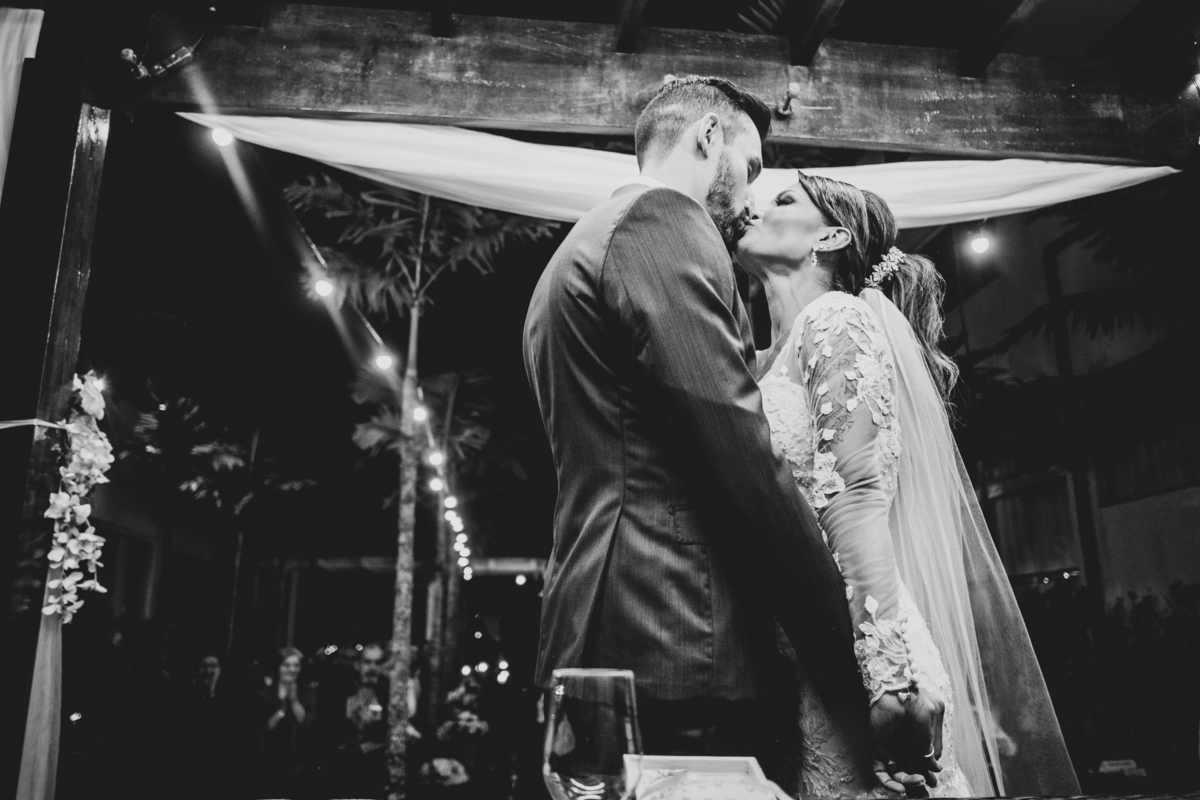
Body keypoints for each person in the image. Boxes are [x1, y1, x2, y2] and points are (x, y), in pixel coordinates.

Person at [523, 76, 937, 789]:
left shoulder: (577, 249)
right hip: (676, 629)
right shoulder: (661, 223)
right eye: (749, 169)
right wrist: (854, 676)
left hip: (604, 624)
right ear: (708, 137)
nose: (748, 199)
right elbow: (742, 462)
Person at [735, 172, 1080, 796]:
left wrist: (889, 674)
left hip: (863, 652)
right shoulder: (761, 359)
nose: (756, 209)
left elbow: (857, 495)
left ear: (831, 237)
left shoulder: (834, 318)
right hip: (796, 653)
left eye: (783, 200)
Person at [256, 646, 317, 797]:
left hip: (298, 764)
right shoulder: (264, 695)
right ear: (278, 667)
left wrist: (294, 700)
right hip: (269, 763)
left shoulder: (308, 694)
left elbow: (307, 724)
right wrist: (281, 709)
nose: (292, 669)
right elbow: (261, 730)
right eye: (286, 665)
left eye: (296, 665)